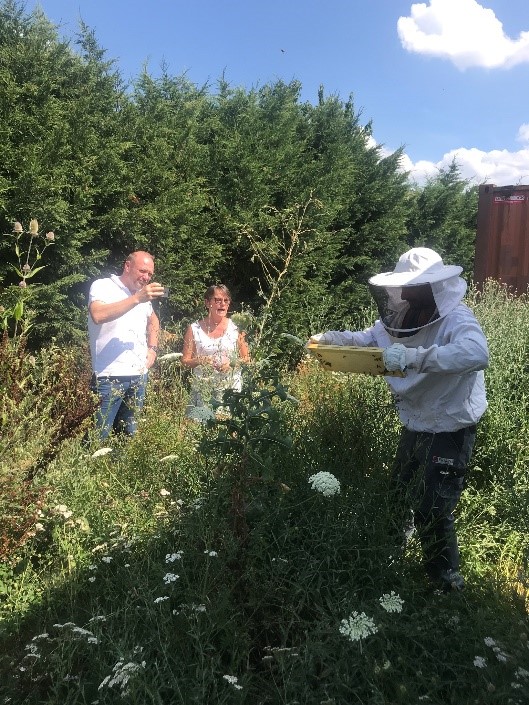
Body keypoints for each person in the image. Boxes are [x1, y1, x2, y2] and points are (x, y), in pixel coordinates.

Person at [310, 247, 489, 592]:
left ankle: (446, 584)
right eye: (401, 286)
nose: (402, 294)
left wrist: (415, 357)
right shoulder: (401, 316)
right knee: (398, 496)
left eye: (410, 286)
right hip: (415, 422)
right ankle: (389, 563)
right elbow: (368, 339)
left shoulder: (457, 318)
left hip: (451, 426)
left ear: (432, 287)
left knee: (433, 507)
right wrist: (331, 339)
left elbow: (476, 353)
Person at [87, 250, 165, 439]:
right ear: (127, 266)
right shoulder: (103, 286)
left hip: (139, 377)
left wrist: (152, 349)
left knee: (128, 438)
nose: (146, 277)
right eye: (142, 271)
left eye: (150, 274)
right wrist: (137, 298)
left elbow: (153, 321)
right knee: (97, 437)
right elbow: (98, 315)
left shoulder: (142, 295)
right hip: (108, 377)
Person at [181, 284, 250, 419]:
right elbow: (184, 361)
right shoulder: (194, 329)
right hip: (203, 390)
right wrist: (200, 360)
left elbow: (247, 359)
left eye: (226, 300)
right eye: (218, 300)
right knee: (201, 427)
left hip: (230, 389)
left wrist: (232, 364)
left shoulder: (236, 328)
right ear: (207, 303)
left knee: (228, 426)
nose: (222, 304)